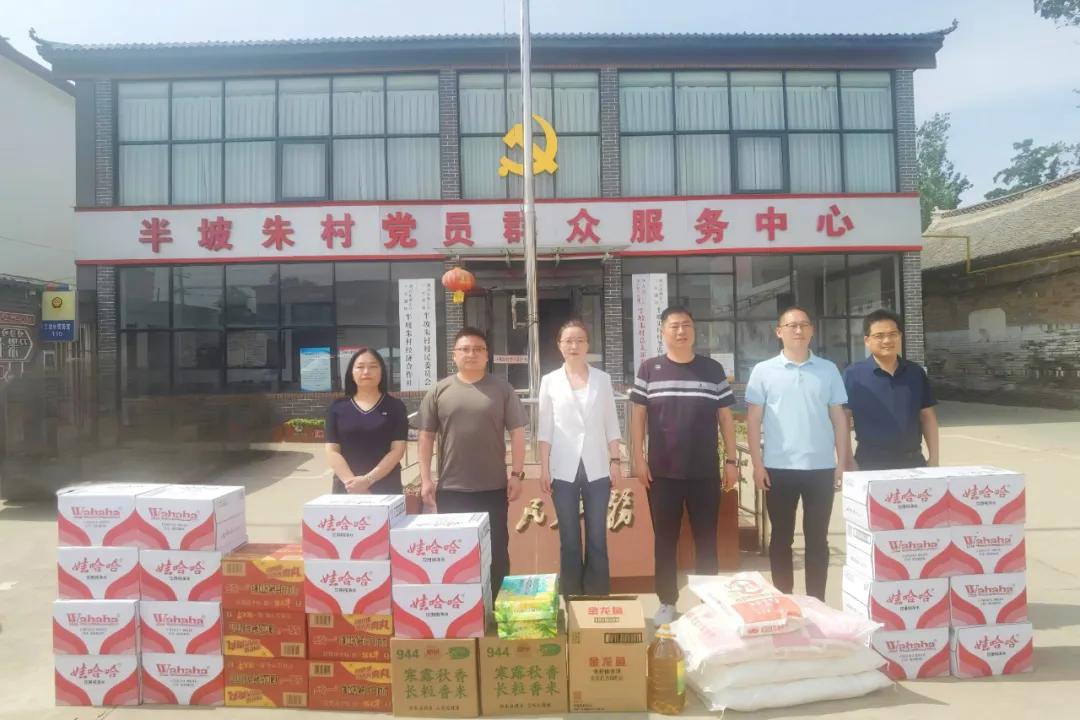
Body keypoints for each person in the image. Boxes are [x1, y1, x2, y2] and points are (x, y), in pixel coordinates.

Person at [630, 306, 739, 626]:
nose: (681, 331)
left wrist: (731, 460)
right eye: (675, 326)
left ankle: (708, 603)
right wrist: (638, 458)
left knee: (707, 539)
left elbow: (725, 418)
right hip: (662, 473)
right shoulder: (650, 369)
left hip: (704, 472)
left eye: (687, 325)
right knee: (665, 541)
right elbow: (638, 417)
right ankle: (667, 600)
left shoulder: (711, 369)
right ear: (663, 331)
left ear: (694, 330)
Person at [745, 307, 849, 601]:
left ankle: (816, 602)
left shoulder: (828, 370)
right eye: (792, 326)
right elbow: (753, 420)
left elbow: (839, 419)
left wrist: (841, 463)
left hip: (820, 468)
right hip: (778, 468)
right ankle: (785, 599)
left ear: (812, 330)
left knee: (817, 539)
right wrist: (757, 465)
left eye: (804, 325)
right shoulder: (763, 371)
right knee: (781, 538)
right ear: (779, 332)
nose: (799, 330)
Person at [418, 327, 528, 598]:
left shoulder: (502, 389)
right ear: (454, 355)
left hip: (493, 487)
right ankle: (459, 605)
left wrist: (517, 474)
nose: (471, 354)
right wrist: (425, 479)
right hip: (451, 488)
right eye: (465, 349)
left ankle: (499, 604)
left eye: (478, 349)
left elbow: (517, 433)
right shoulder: (439, 390)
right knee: (454, 552)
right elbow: (426, 436)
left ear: (487, 355)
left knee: (497, 550)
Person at [538, 319, 623, 596]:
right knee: (570, 537)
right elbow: (545, 429)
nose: (574, 346)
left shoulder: (602, 379)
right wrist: (544, 467)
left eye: (579, 341)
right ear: (559, 345)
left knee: (597, 535)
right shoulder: (549, 381)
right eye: (568, 341)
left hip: (597, 467)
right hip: (563, 467)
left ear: (588, 345)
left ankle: (597, 596)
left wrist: (615, 461)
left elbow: (611, 422)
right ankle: (572, 596)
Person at [844, 308, 940, 471]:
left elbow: (927, 416)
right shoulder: (854, 374)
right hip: (869, 463)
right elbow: (844, 420)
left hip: (913, 462)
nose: (887, 340)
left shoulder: (915, 372)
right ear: (867, 340)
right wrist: (848, 460)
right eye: (879, 336)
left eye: (893, 334)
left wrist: (934, 459)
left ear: (900, 336)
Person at [325, 347, 409, 495]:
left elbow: (397, 451)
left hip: (385, 487)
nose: (366, 372)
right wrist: (353, 484)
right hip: (346, 488)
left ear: (382, 372)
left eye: (373, 366)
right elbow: (332, 451)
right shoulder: (337, 407)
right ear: (351, 372)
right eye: (360, 367)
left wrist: (367, 481)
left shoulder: (396, 406)